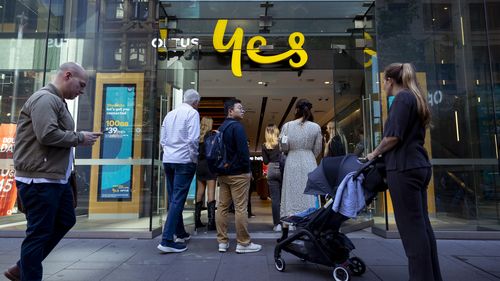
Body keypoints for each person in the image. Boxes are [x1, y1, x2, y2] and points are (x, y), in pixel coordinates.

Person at [6, 62, 101, 281]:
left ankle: (23, 267)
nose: (82, 91)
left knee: (66, 220)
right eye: (81, 84)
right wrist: (80, 138)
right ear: (68, 75)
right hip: (39, 181)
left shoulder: (55, 100)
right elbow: (47, 135)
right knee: (38, 234)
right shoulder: (46, 99)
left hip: (54, 179)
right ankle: (27, 273)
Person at [367, 62, 442, 281]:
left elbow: (392, 137)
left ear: (390, 81)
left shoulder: (401, 99)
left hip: (404, 168)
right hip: (418, 165)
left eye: (383, 81)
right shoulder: (414, 97)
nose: (382, 85)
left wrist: (374, 153)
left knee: (412, 232)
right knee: (423, 228)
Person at [216, 98, 262, 253]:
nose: (243, 110)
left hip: (223, 173)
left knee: (222, 207)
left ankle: (222, 242)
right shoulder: (237, 127)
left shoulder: (221, 128)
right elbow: (243, 152)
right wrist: (248, 171)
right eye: (240, 108)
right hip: (238, 174)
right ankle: (243, 243)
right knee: (240, 208)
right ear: (230, 111)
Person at [157, 89, 200, 253]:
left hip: (168, 160)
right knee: (178, 199)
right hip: (184, 160)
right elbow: (193, 139)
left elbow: (163, 139)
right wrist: (193, 158)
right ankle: (167, 240)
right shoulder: (192, 113)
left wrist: (168, 152)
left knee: (174, 198)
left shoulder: (170, 114)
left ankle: (180, 232)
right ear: (195, 102)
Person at [280, 99, 322, 225]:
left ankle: (289, 221)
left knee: (292, 192)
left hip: (292, 160)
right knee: (309, 192)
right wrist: (309, 155)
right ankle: (311, 219)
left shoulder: (287, 126)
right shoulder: (316, 127)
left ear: (296, 110)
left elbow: (284, 147)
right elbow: (318, 149)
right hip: (309, 160)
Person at [195, 116, 217, 231]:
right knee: (211, 193)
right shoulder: (211, 136)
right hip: (209, 166)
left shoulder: (197, 137)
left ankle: (197, 220)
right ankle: (211, 222)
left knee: (199, 192)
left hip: (199, 166)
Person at [261, 124, 283, 232]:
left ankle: (277, 224)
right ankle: (287, 222)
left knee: (275, 199)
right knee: (285, 198)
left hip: (271, 170)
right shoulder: (281, 142)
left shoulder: (265, 145)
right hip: (282, 168)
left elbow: (265, 161)